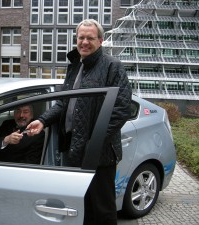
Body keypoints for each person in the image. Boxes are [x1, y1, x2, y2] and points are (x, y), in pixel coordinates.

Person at [26, 19, 132, 225]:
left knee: (102, 209)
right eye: (81, 37)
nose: (84, 42)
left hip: (99, 153)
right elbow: (63, 103)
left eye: (90, 38)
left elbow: (121, 110)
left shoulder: (113, 66)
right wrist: (42, 120)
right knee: (81, 207)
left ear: (100, 40)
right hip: (74, 149)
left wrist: (93, 143)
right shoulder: (75, 66)